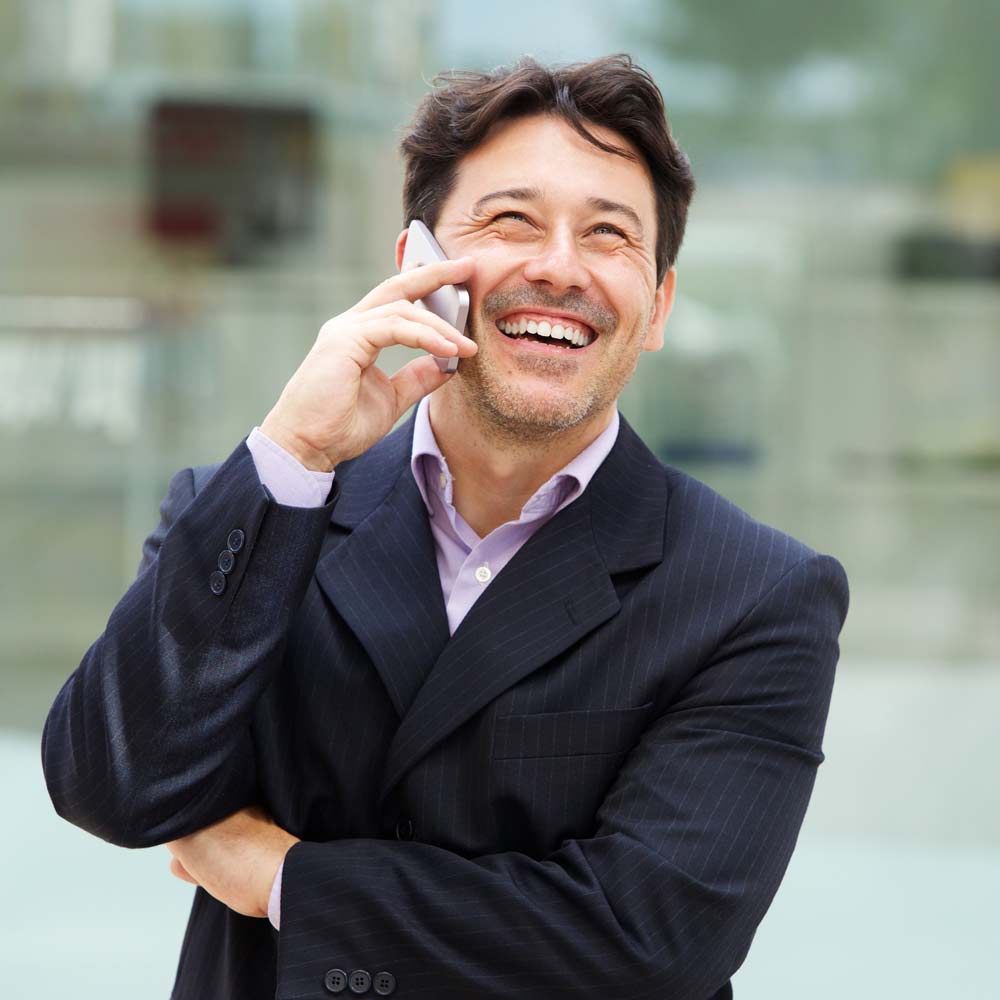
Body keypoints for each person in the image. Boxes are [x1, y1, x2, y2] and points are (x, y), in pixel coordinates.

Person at [42, 54, 848, 1000]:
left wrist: (284, 878)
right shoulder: (262, 503)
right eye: (511, 220)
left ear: (658, 305)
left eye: (608, 235)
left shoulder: (756, 594)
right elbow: (114, 784)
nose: (558, 266)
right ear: (417, 266)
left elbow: (647, 937)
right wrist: (297, 450)